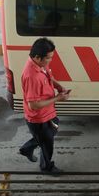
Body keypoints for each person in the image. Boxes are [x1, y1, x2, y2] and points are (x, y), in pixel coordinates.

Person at [19, 37, 70, 174]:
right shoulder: (31, 76)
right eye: (48, 58)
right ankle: (46, 168)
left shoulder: (40, 65)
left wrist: (59, 87)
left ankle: (27, 148)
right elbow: (33, 105)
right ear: (37, 57)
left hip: (48, 112)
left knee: (51, 132)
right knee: (47, 144)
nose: (50, 61)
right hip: (38, 117)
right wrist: (58, 98)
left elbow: (49, 76)